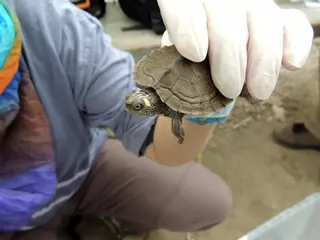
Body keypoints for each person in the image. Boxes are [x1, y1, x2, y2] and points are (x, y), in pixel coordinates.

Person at [0, 0, 313, 239]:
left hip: (79, 167)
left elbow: (158, 140)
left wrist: (207, 104)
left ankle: (102, 217)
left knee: (205, 199)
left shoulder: (46, 20)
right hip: (10, 217)